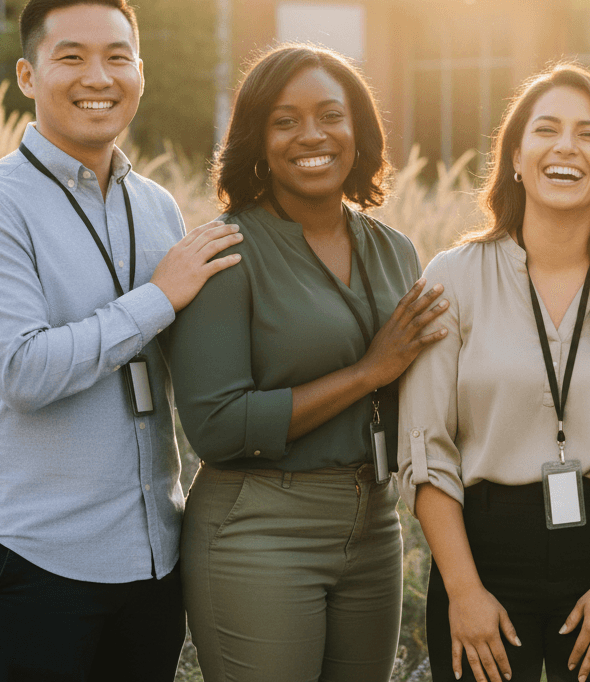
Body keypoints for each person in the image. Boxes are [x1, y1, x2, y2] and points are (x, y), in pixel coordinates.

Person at [0, 0, 244, 681]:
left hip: (153, 558)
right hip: (38, 558)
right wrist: (158, 298)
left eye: (117, 56)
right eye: (70, 57)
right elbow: (23, 372)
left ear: (139, 70)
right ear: (27, 74)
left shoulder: (158, 206)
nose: (97, 77)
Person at [399, 63, 590, 682]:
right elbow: (427, 450)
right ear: (514, 157)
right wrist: (463, 591)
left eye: (589, 134)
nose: (566, 147)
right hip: (480, 561)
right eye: (547, 129)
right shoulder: (452, 278)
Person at [166, 42, 448, 682]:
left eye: (330, 115)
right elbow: (216, 426)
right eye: (284, 120)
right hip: (259, 529)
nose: (311, 136)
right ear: (256, 140)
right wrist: (366, 373)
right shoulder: (226, 254)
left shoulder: (395, 250)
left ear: (358, 130)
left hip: (374, 525)